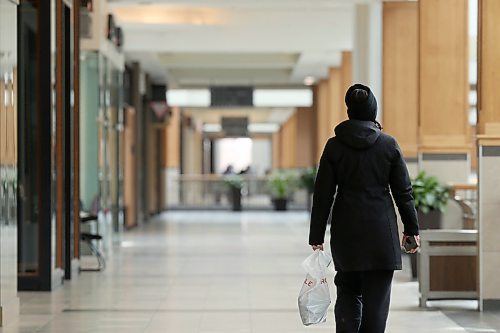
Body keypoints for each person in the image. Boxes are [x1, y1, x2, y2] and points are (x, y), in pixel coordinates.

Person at [309, 84, 420, 333]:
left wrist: (316, 235)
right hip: (381, 232)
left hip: (346, 231)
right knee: (377, 304)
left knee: (348, 293)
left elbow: (323, 194)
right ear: (373, 111)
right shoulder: (388, 145)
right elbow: (403, 192)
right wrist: (411, 229)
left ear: (349, 111)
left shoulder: (334, 146)